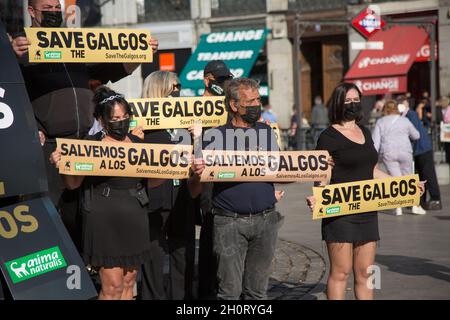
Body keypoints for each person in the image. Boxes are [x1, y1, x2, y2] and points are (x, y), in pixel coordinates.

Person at [11, 0, 158, 250]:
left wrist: (141, 53)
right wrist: (13, 54)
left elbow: (114, 68)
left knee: (85, 209)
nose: (54, 12)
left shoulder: (76, 44)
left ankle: (86, 269)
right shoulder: (21, 48)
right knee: (49, 211)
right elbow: (10, 94)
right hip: (50, 146)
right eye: (47, 8)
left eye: (57, 8)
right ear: (32, 11)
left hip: (86, 143)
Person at [306, 83, 423, 300]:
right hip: (339, 212)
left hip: (367, 210)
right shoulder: (328, 136)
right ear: (338, 103)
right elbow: (321, 173)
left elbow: (372, 170)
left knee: (365, 273)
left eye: (356, 99)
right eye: (347, 100)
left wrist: (404, 184)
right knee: (341, 273)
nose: (352, 104)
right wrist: (318, 195)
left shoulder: (365, 131)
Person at [50, 87, 161, 300]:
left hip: (134, 214)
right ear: (102, 120)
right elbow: (73, 185)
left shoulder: (139, 144)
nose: (121, 121)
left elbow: (153, 181)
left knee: (129, 282)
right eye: (115, 118)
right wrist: (62, 166)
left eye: (125, 117)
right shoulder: (90, 146)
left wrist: (177, 167)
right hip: (105, 217)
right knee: (113, 286)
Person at [189, 78, 283, 300]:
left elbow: (282, 172)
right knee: (229, 292)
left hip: (266, 221)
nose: (256, 105)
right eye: (249, 101)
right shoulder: (214, 137)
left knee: (257, 293)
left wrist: (314, 167)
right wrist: (196, 172)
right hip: (229, 223)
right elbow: (194, 190)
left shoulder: (267, 132)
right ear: (233, 105)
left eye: (258, 100)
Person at [140, 71, 196, 300]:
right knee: (152, 261)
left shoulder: (185, 123)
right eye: (174, 87)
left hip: (182, 196)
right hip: (154, 198)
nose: (178, 91)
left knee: (182, 258)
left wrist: (198, 136)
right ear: (159, 89)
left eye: (179, 87)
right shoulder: (143, 125)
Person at [197, 60, 233, 299]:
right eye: (220, 81)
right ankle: (207, 292)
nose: (224, 84)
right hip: (205, 178)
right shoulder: (195, 106)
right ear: (207, 81)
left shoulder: (229, 106)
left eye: (226, 80)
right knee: (210, 234)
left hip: (229, 172)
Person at [372, 100, 424, 215]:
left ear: (384, 109)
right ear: (396, 108)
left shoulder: (380, 122)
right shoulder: (404, 120)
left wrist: (373, 157)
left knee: (395, 180)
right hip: (405, 151)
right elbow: (416, 135)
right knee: (409, 178)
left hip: (389, 152)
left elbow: (375, 142)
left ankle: (398, 207)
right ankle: (414, 205)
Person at [397, 95, 442, 211]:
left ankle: (435, 199)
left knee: (428, 174)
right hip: (417, 150)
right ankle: (420, 200)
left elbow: (413, 132)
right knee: (420, 176)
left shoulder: (410, 114)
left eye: (402, 103)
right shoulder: (404, 116)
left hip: (422, 148)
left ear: (406, 103)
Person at [441, 96, 450, 164]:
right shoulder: (447, 108)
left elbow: (446, 119)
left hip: (447, 130)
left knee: (448, 147)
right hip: (446, 130)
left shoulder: (448, 108)